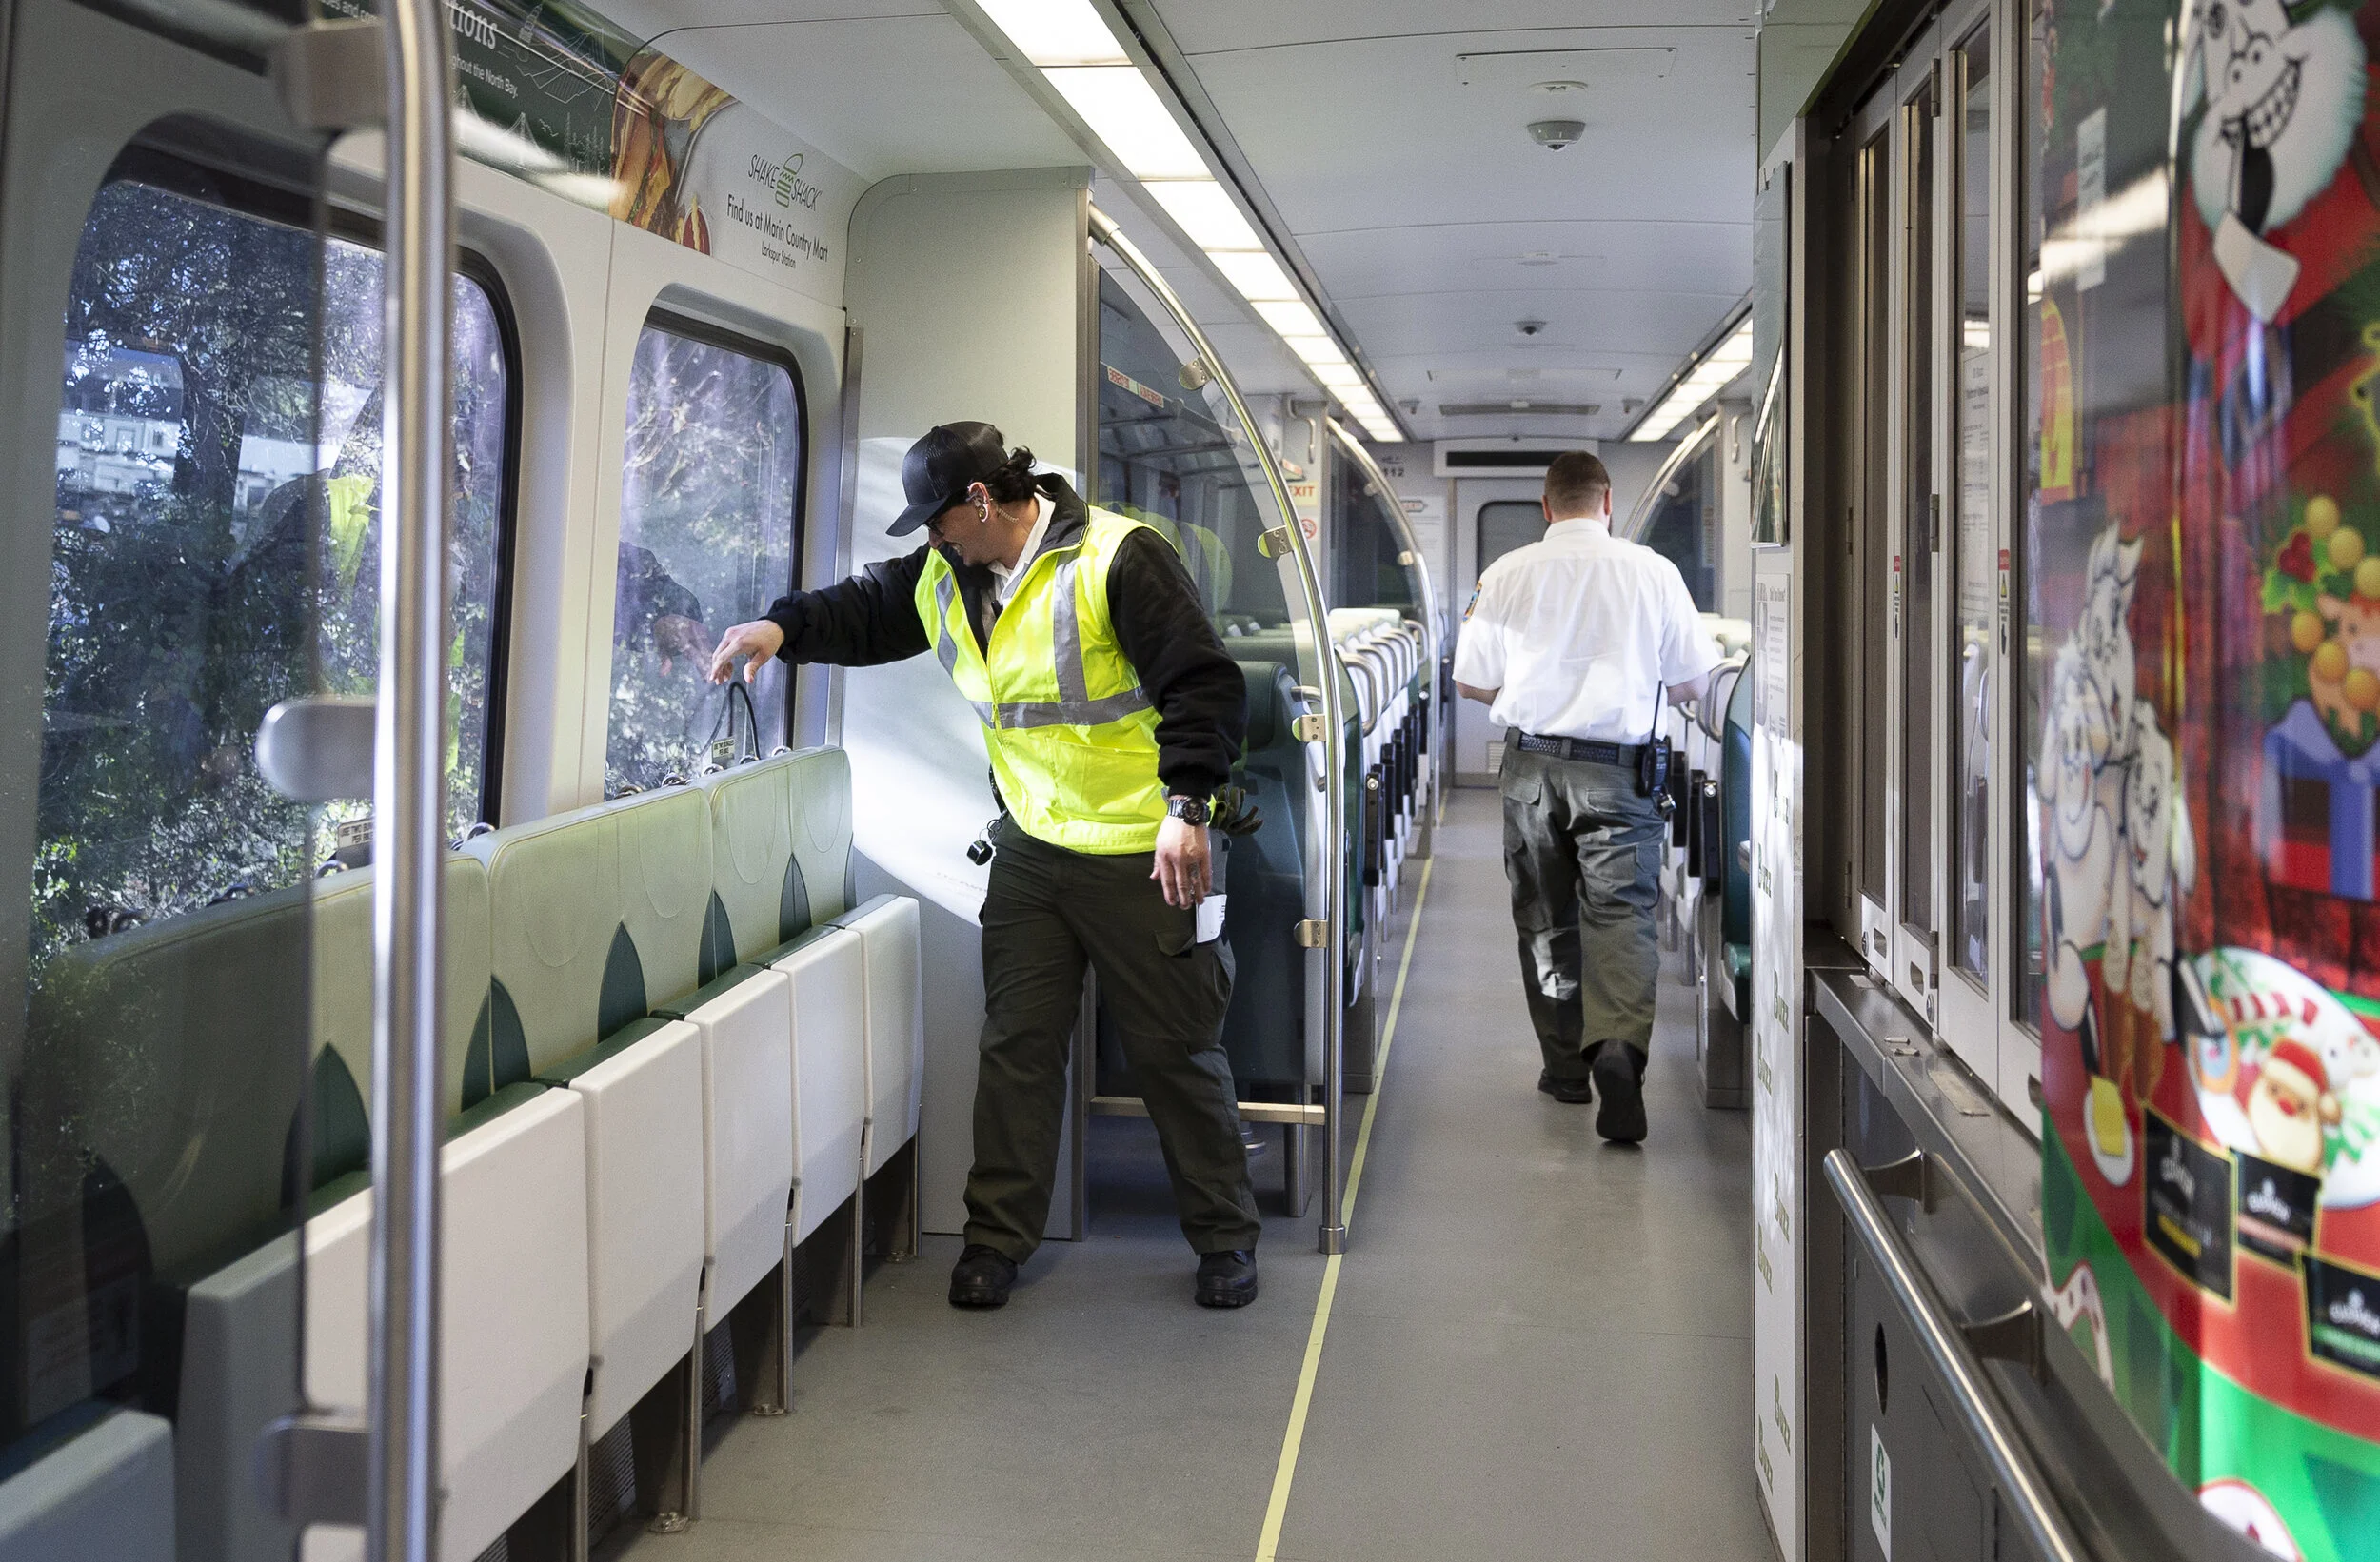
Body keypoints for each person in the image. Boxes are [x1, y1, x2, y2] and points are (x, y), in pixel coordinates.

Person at [706, 421, 1263, 1309]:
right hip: (1035, 852)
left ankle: (1226, 1238)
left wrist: (1188, 808)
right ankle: (997, 1239)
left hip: (1141, 853)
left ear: (982, 501)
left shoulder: (1119, 558)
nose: (930, 538)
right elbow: (866, 605)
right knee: (1017, 1049)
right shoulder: (948, 574)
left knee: (1178, 1054)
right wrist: (781, 627)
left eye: (939, 519)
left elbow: (1204, 684)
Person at [1451, 449, 1720, 1143]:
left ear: (1546, 507)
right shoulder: (1654, 572)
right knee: (1622, 916)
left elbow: (1471, 681)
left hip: (1533, 769)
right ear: (1608, 503)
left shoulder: (1504, 574)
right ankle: (1619, 1051)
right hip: (1621, 773)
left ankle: (1566, 1068)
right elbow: (1694, 684)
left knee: (1546, 916)